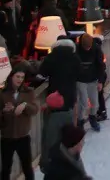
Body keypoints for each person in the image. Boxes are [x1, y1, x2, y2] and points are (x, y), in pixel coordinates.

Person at [38, 37, 80, 174]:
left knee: (51, 137)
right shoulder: (74, 57)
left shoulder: (51, 57)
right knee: (68, 135)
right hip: (69, 102)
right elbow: (81, 74)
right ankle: (71, 161)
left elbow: (41, 73)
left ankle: (48, 164)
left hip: (54, 104)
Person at [0, 66, 38, 180]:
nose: (20, 79)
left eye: (22, 77)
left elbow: (35, 110)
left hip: (23, 137)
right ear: (11, 77)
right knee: (6, 169)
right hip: (6, 137)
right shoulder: (2, 93)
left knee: (27, 168)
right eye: (17, 76)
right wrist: (4, 111)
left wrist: (25, 105)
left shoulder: (29, 92)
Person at [75, 33, 105, 132]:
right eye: (85, 47)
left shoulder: (96, 49)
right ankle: (80, 121)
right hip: (80, 80)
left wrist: (100, 81)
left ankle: (92, 118)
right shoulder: (76, 49)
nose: (87, 49)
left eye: (89, 47)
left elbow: (101, 65)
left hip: (93, 80)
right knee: (83, 103)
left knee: (95, 103)